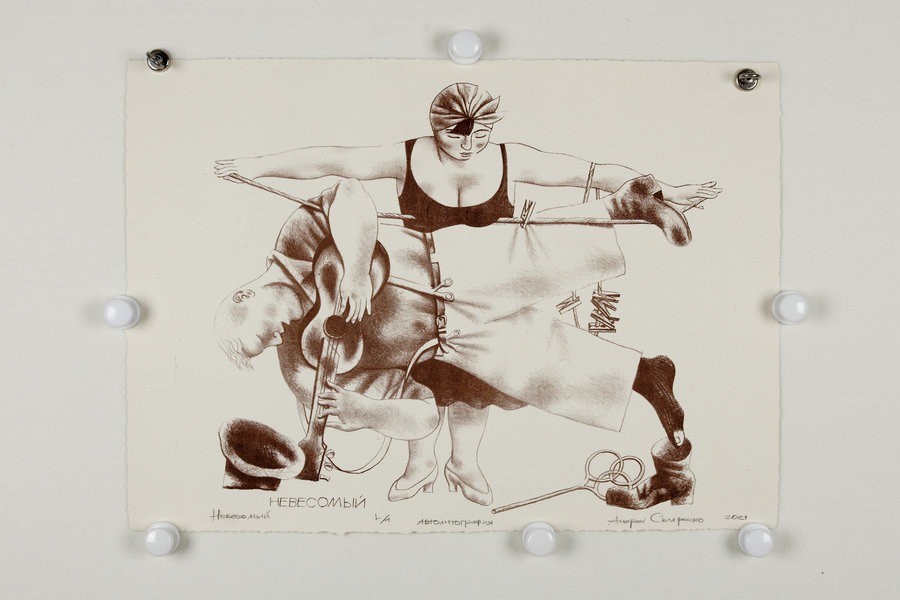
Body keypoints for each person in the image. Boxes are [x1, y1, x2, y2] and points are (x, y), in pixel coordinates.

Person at [215, 82, 721, 507]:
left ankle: (630, 204)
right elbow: (418, 413)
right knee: (544, 363)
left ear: (244, 296)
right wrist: (365, 412)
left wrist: (352, 267)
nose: (278, 337)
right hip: (450, 341)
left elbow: (345, 186)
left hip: (455, 265)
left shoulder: (294, 245)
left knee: (536, 249)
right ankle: (644, 374)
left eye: (264, 332)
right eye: (269, 345)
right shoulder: (300, 369)